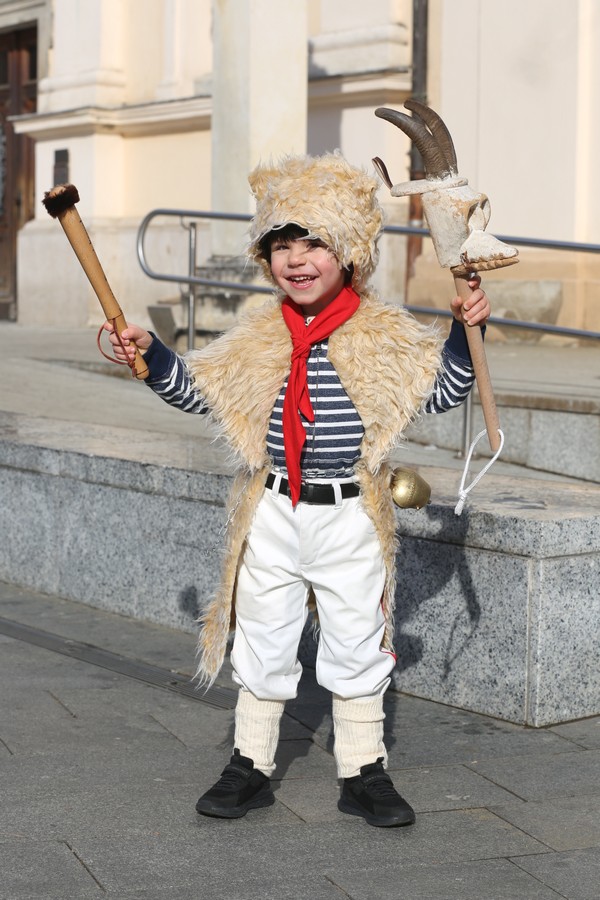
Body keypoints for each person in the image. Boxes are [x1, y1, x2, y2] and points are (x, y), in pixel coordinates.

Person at [104, 152, 490, 828]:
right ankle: (250, 763)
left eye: (314, 242)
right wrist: (152, 353)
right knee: (262, 635)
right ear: (265, 257)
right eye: (281, 244)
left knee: (357, 637)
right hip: (274, 512)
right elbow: (201, 391)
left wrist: (467, 331)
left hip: (348, 516)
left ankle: (364, 769)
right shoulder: (259, 335)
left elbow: (444, 390)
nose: (297, 258)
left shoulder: (382, 333)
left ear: (351, 252)